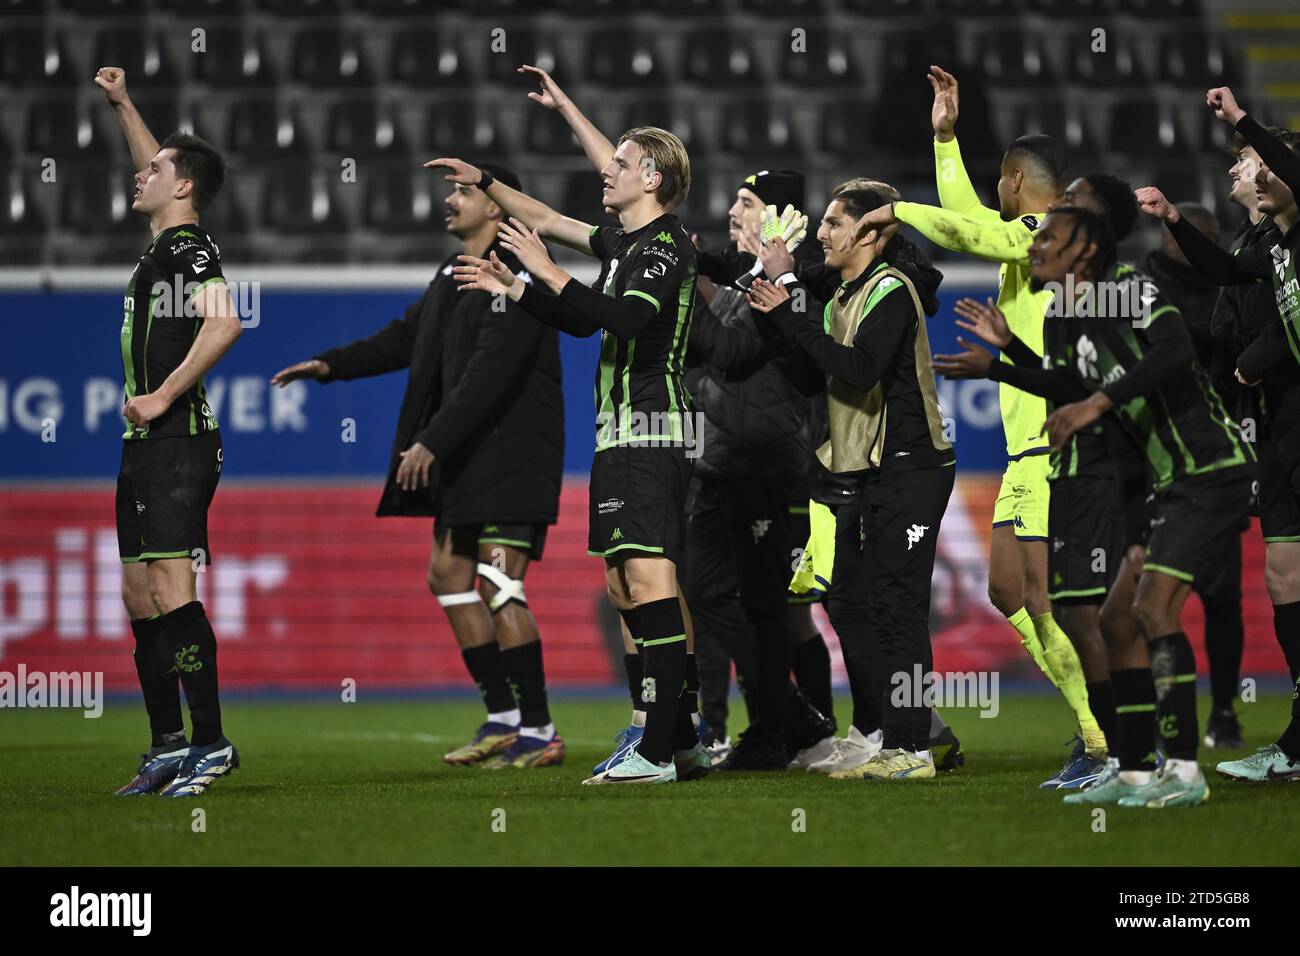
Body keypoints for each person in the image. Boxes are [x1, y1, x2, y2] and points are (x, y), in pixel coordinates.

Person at [935, 205, 1254, 807]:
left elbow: (1174, 351)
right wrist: (1003, 362)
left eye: (1050, 235)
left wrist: (1098, 405)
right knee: (1109, 621)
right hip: (1156, 480)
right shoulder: (1062, 318)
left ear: (1085, 248)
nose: (1034, 244)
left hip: (1205, 469)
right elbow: (1069, 387)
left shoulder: (1129, 290)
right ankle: (1131, 767)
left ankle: (1182, 768)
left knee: (1149, 612)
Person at [440, 123, 713, 784]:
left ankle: (656, 749)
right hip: (618, 433)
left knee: (649, 583)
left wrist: (547, 271)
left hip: (653, 429)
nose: (606, 170)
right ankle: (673, 740)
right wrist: (518, 279)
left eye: (620, 163)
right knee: (624, 588)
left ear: (652, 178)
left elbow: (625, 322)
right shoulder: (622, 245)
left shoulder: (666, 243)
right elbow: (580, 307)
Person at [270, 163, 567, 769]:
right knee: (447, 576)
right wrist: (329, 366)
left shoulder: (513, 280)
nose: (450, 200)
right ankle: (505, 718)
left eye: (463, 192)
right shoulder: (450, 275)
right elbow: (404, 339)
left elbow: (489, 375)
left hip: (513, 456)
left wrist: (430, 440)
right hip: (467, 456)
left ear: (496, 208)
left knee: (500, 584)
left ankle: (541, 729)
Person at [851, 67, 1104, 764]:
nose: (993, 193)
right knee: (1006, 589)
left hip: (1054, 450)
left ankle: (1101, 728)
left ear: (1016, 182)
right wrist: (945, 139)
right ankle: (1094, 721)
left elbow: (966, 233)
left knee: (1056, 600)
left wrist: (898, 210)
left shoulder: (1047, 237)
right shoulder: (1027, 235)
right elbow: (967, 217)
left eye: (998, 180)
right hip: (1027, 453)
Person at [747, 183, 957, 781]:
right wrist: (776, 322)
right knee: (851, 601)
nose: (820, 233)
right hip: (870, 468)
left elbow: (860, 369)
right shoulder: (847, 292)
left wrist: (792, 307)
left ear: (870, 233)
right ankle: (884, 736)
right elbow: (818, 381)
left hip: (912, 466)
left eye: (834, 223)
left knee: (899, 605)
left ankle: (913, 746)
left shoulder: (892, 290)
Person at [1137, 86, 1300, 780]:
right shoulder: (1266, 244)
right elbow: (1226, 275)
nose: (1245, 169)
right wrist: (1174, 219)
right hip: (1284, 426)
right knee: (1282, 571)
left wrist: (1239, 120)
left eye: (1254, 162)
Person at [96, 67, 244, 798]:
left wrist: (160, 396)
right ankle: (166, 744)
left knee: (171, 587)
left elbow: (226, 322)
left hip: (179, 439)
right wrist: (125, 104)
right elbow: (158, 163)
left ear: (181, 187)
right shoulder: (167, 244)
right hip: (145, 449)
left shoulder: (190, 251)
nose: (140, 173)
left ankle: (210, 745)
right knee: (137, 592)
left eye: (153, 171)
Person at [1142, 201, 1250, 750]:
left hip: (1208, 461)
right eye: (1177, 234)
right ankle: (1156, 723)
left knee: (1220, 595)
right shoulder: (1140, 289)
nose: (1182, 244)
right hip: (1155, 463)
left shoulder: (1227, 289)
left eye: (1196, 237)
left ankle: (1224, 708)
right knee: (1147, 599)